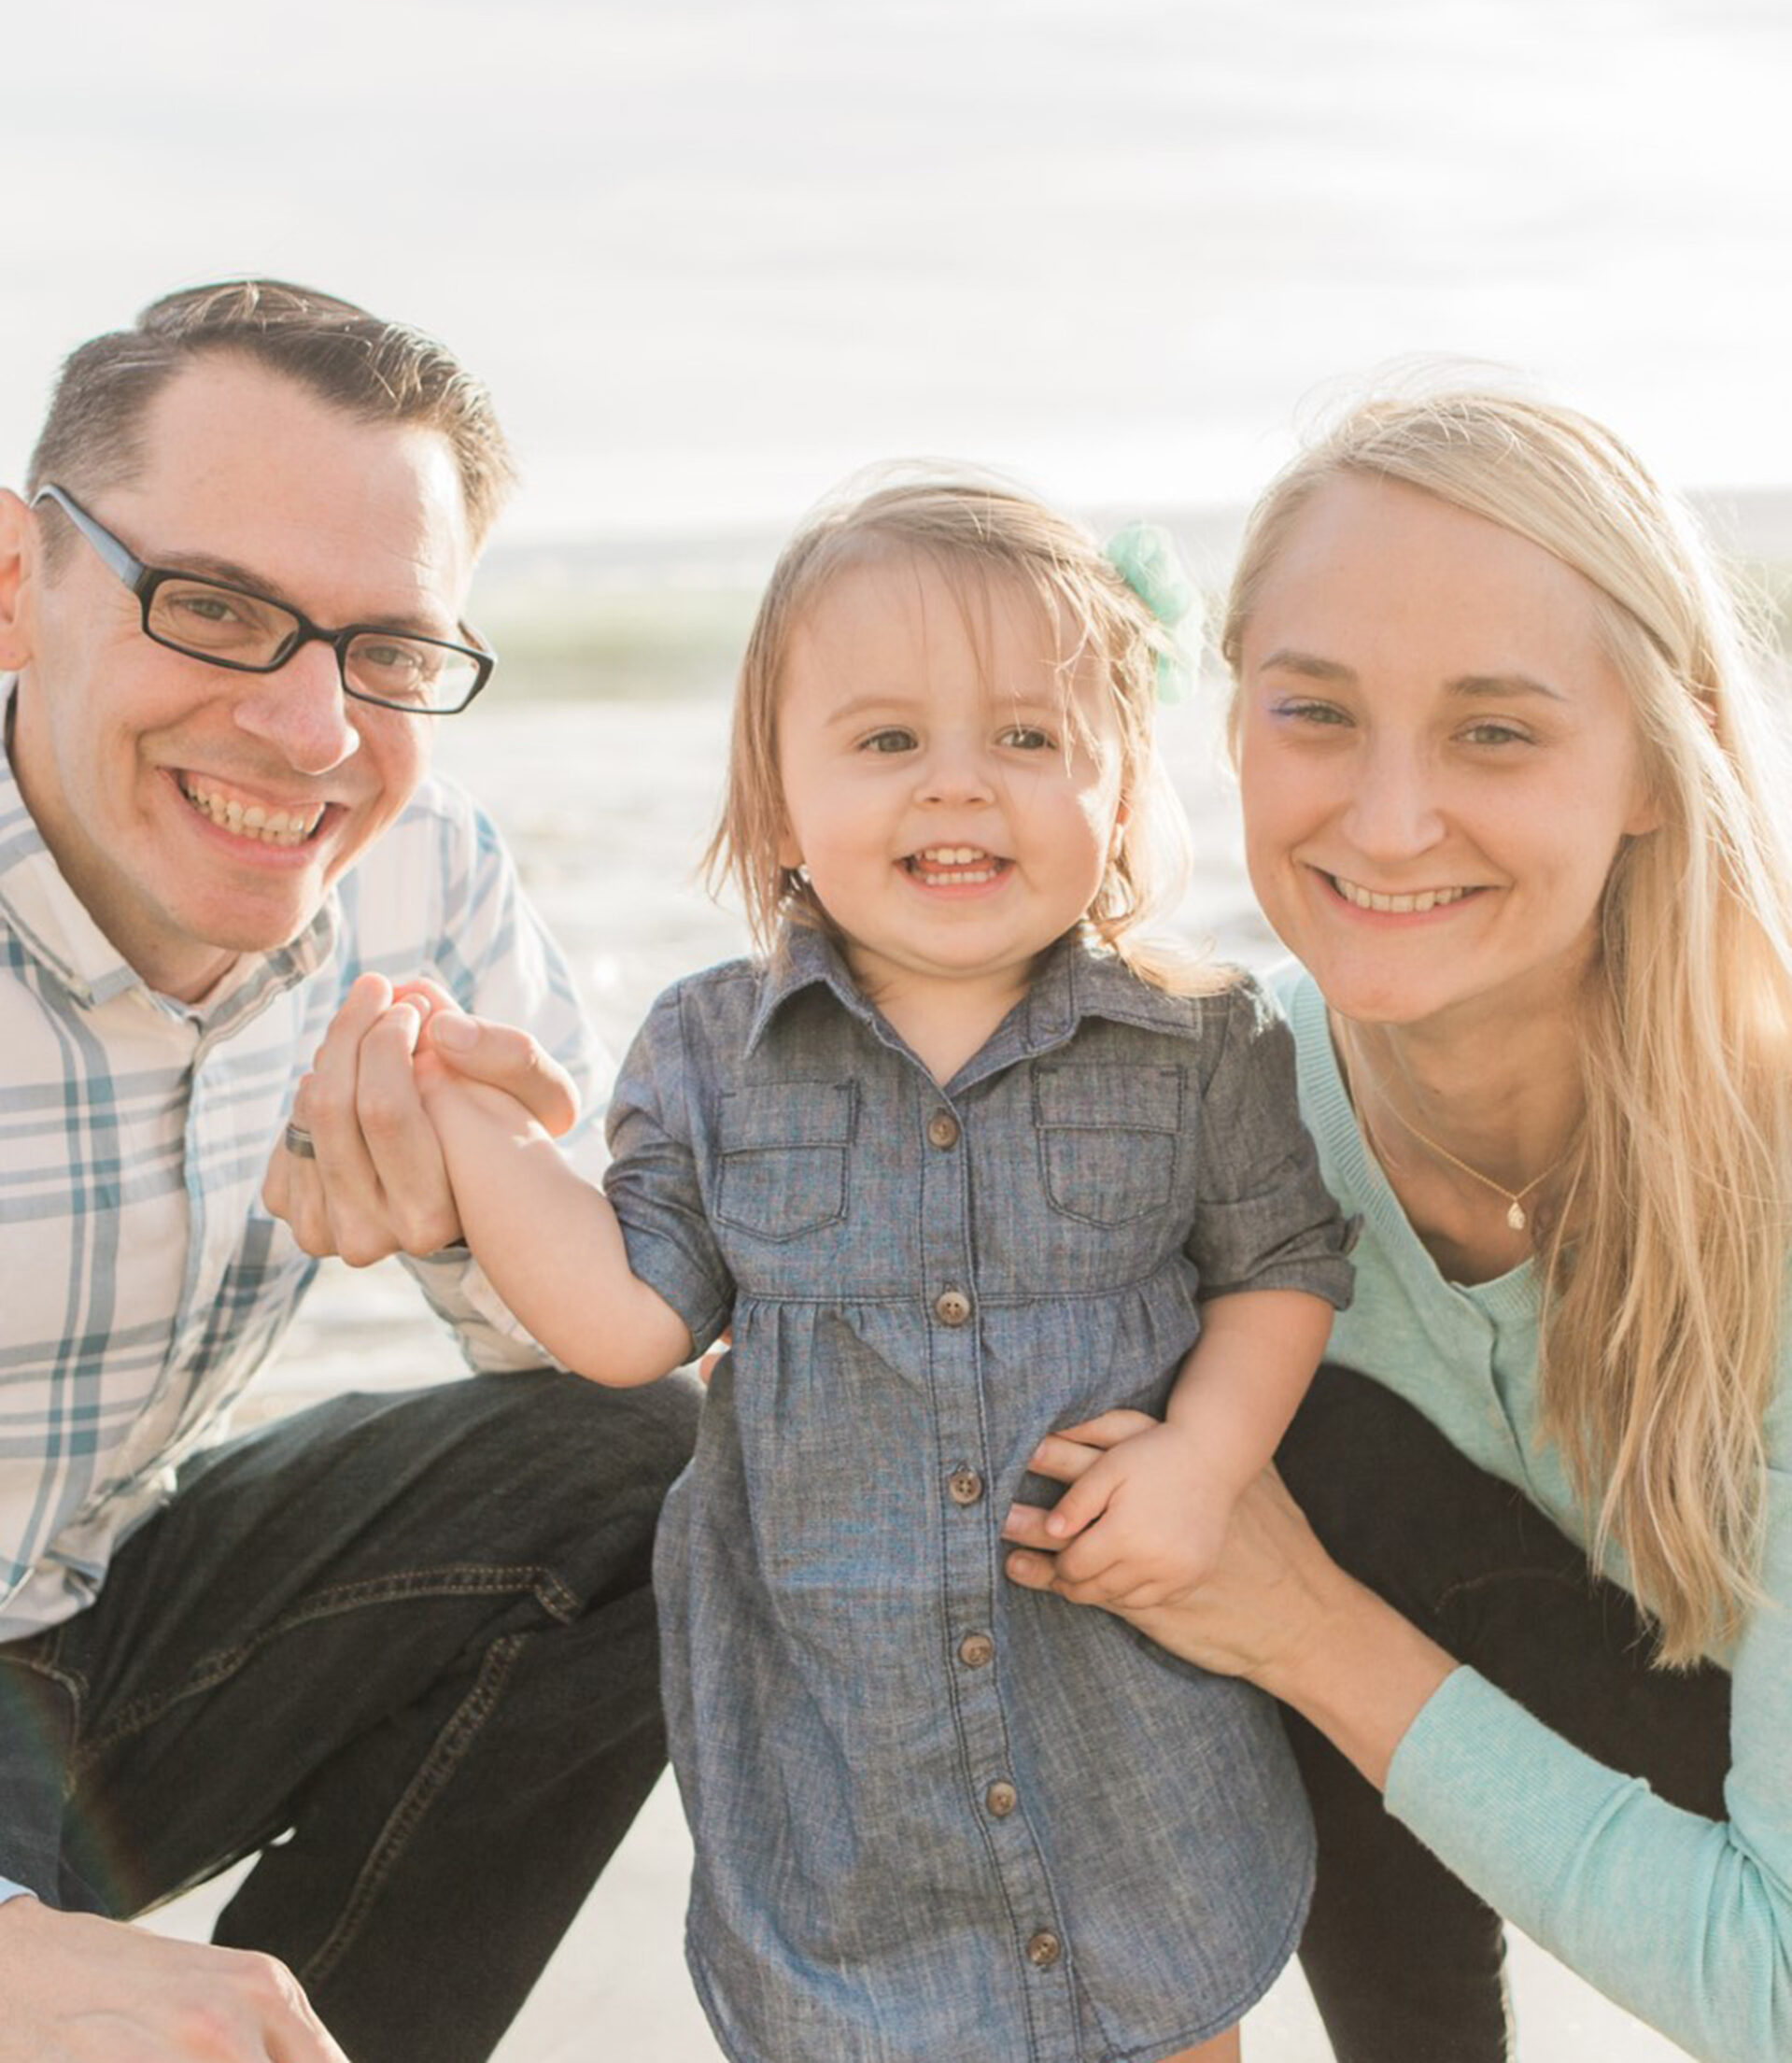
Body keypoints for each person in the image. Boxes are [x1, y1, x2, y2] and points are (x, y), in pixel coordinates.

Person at [319, 474, 1359, 2063]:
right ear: (781, 798)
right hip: (847, 1772)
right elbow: (623, 1321)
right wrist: (471, 1126)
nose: (960, 790)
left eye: (1027, 739)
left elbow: (1283, 1265)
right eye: (888, 743)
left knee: (1169, 2022)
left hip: (1131, 1736)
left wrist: (1207, 1464)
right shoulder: (712, 1053)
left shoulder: (1198, 1039)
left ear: (1123, 779)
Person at [1004, 390, 1792, 2063]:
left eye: (1494, 732)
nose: (1385, 819)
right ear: (1229, 728)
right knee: (1204, 1445)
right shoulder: (1190, 1123)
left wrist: (1304, 1628)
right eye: (1317, 714)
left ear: (1663, 757)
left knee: (1301, 1486)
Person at [0, 278, 698, 2063]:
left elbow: (610, 1360)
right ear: (20, 580)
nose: (312, 736)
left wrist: (479, 1214)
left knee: (662, 1478)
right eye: (215, 608)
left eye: (387, 653)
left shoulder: (415, 875)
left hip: (94, 1609)